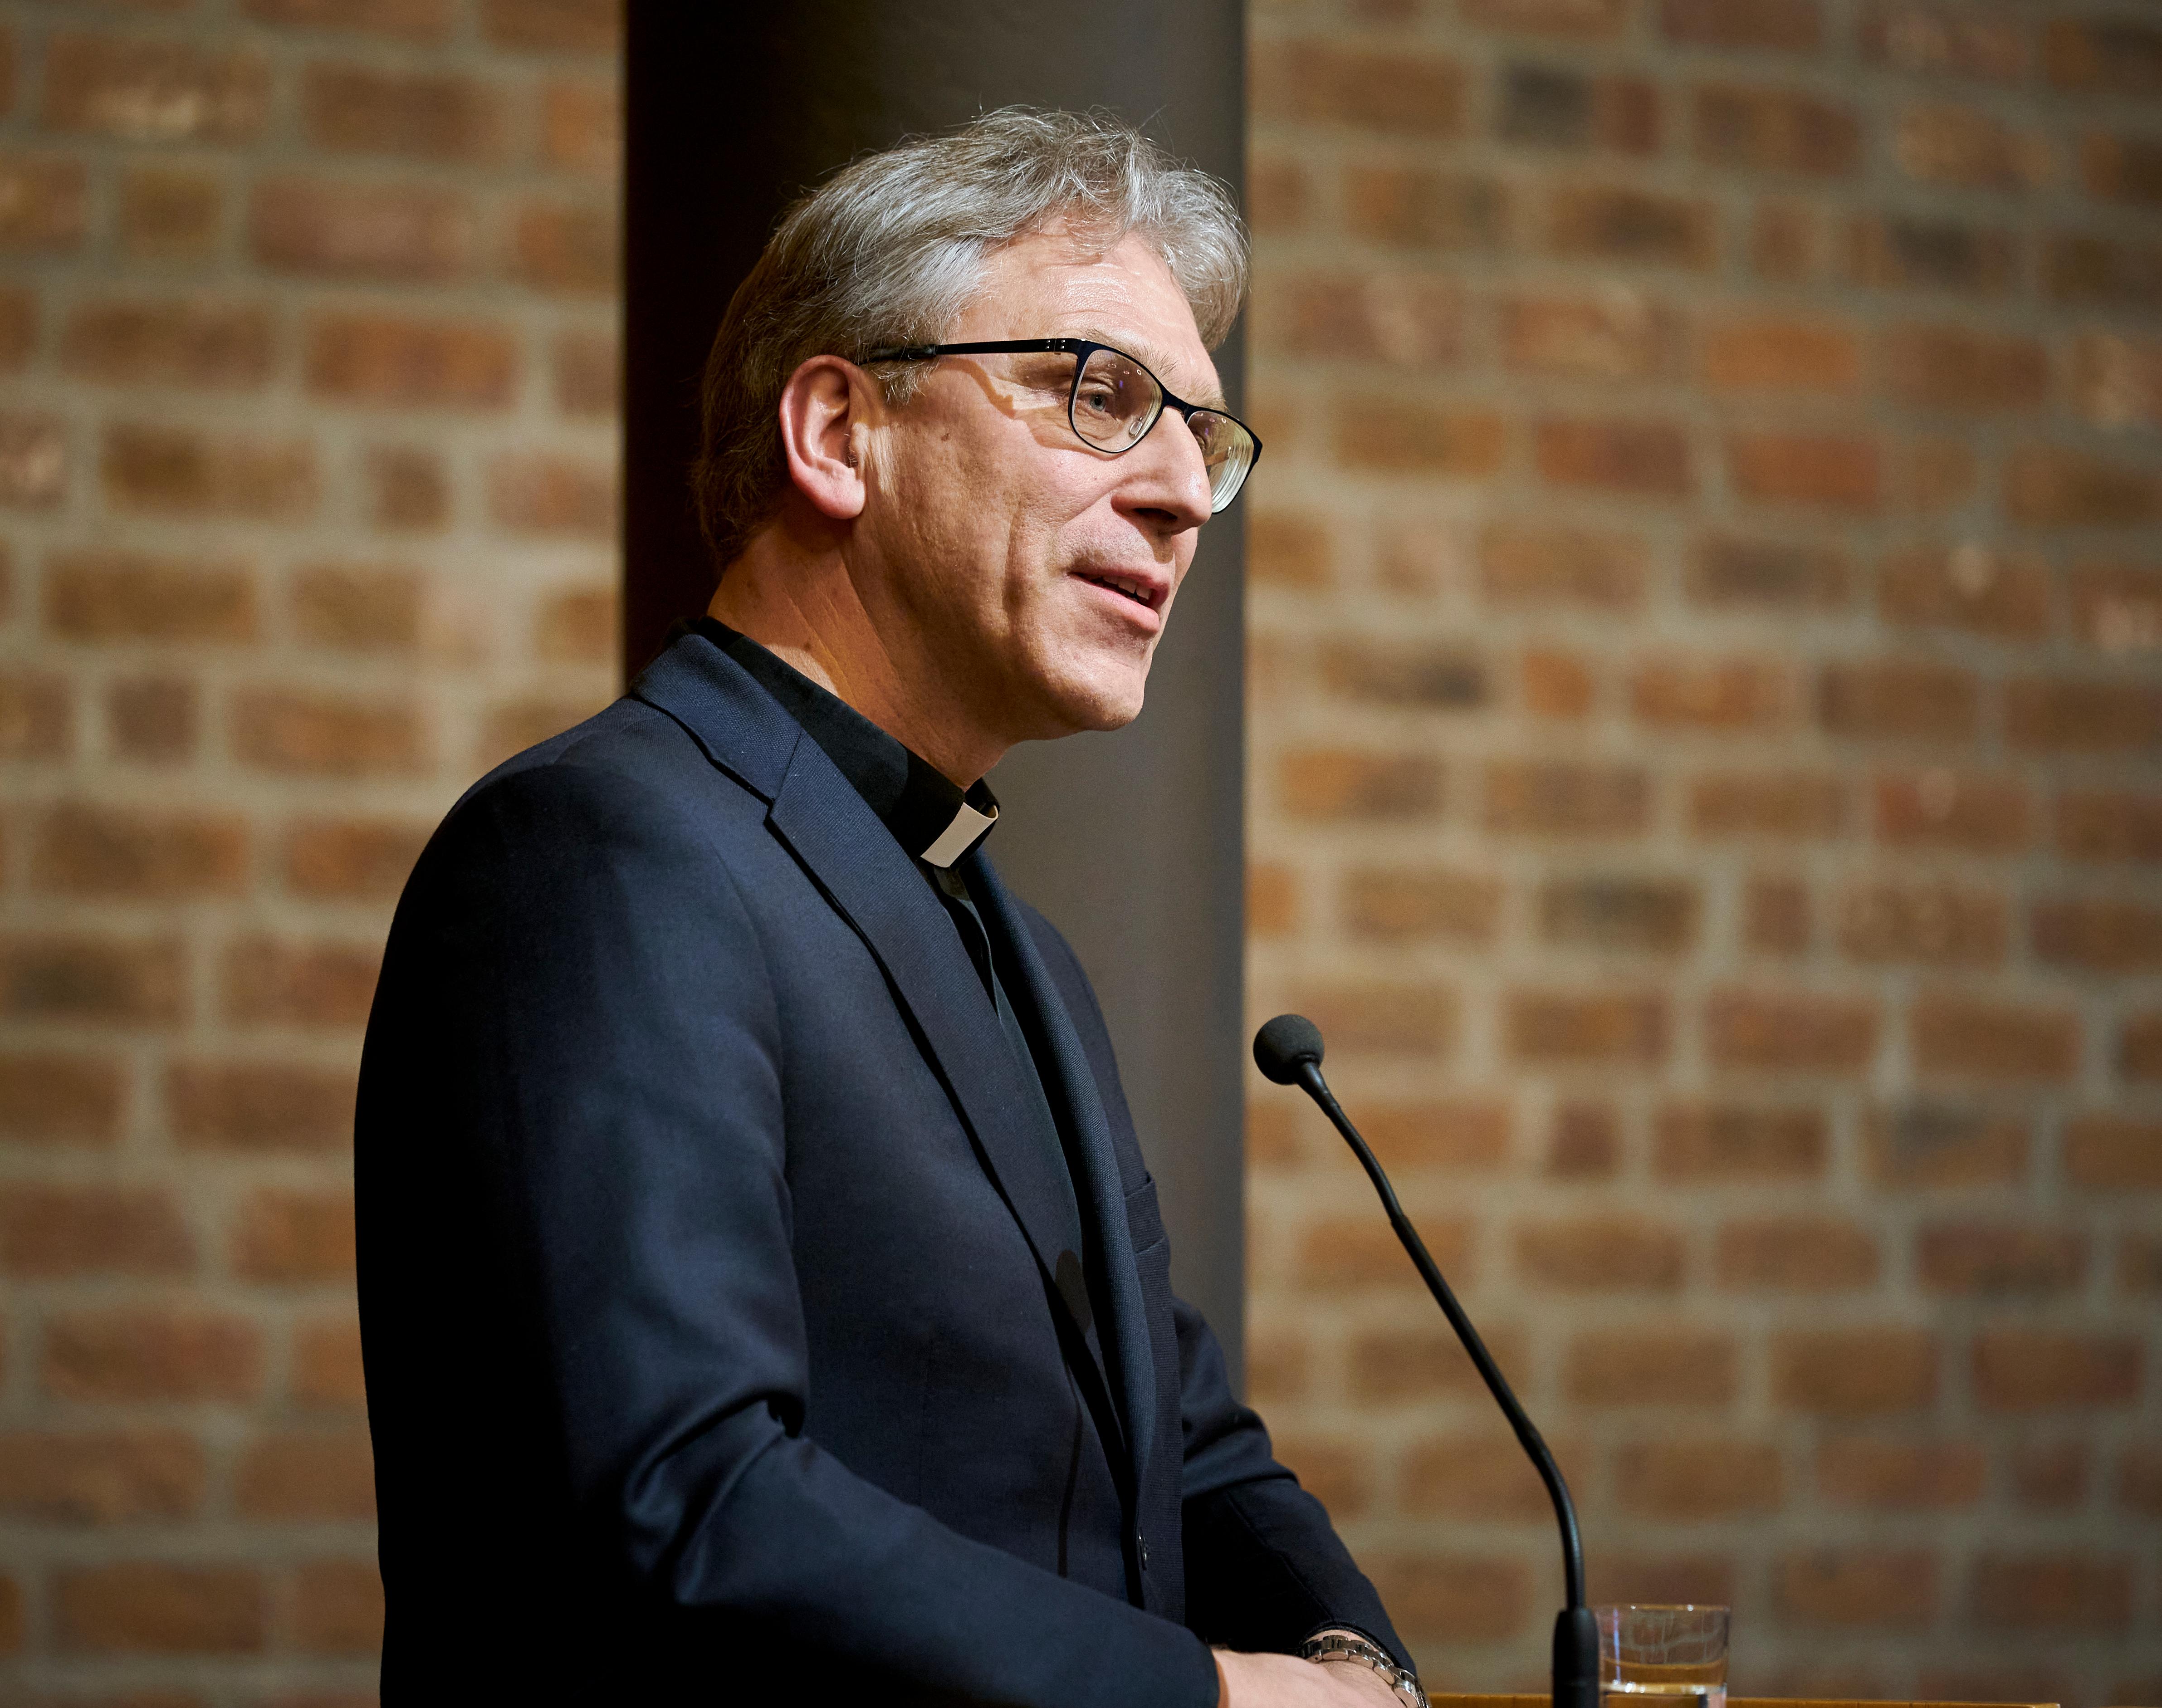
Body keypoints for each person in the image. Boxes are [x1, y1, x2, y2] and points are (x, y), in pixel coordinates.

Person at [355, 109, 1413, 1707]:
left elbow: (1183, 1446)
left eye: (1205, 433)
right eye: (1104, 396)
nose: (1188, 492)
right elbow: (675, 1508)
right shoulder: (602, 855)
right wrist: (1213, 1700)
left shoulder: (1017, 944)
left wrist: (1364, 1670)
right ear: (841, 434)